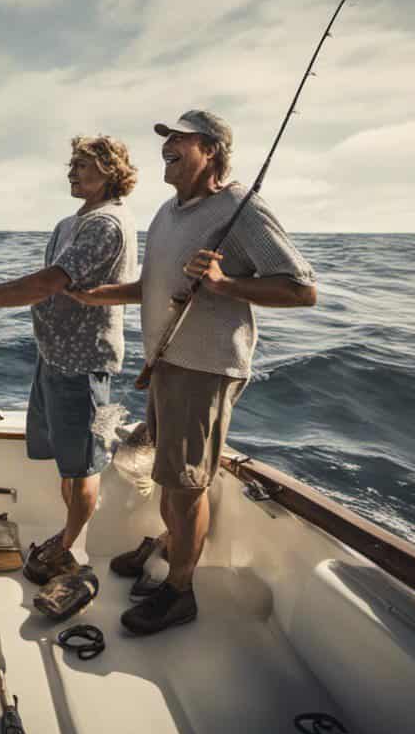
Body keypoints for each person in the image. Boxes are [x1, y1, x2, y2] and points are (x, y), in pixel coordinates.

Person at [70, 109, 317, 635]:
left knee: (183, 487)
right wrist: (92, 295)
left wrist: (226, 284)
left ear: (212, 151)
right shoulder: (167, 211)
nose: (168, 145)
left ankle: (180, 591)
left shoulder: (240, 209)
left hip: (203, 368)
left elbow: (302, 289)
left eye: (181, 139)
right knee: (171, 477)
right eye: (167, 138)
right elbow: (151, 286)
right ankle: (167, 545)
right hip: (164, 364)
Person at [0, 135, 139, 586]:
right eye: (71, 164)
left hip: (85, 364)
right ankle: (68, 538)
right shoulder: (69, 222)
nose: (71, 172)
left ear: (110, 171)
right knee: (68, 462)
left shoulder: (106, 224)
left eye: (83, 165)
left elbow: (47, 283)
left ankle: (68, 549)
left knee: (84, 464)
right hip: (53, 358)